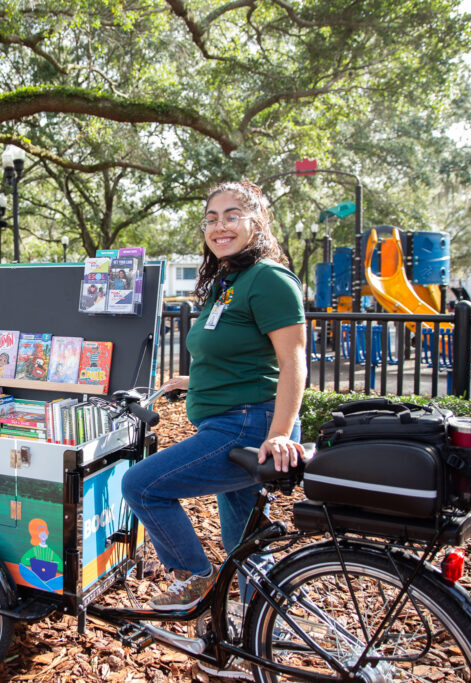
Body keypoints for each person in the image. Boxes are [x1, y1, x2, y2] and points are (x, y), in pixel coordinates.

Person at [121, 179, 306, 616]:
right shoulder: (232, 279)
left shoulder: (269, 279)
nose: (219, 227)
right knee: (245, 543)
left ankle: (193, 577)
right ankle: (266, 639)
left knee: (141, 486)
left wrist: (279, 433)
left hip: (250, 426)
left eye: (231, 216)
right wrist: (191, 382)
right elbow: (242, 354)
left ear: (257, 222)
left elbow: (294, 361)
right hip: (232, 418)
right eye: (211, 219)